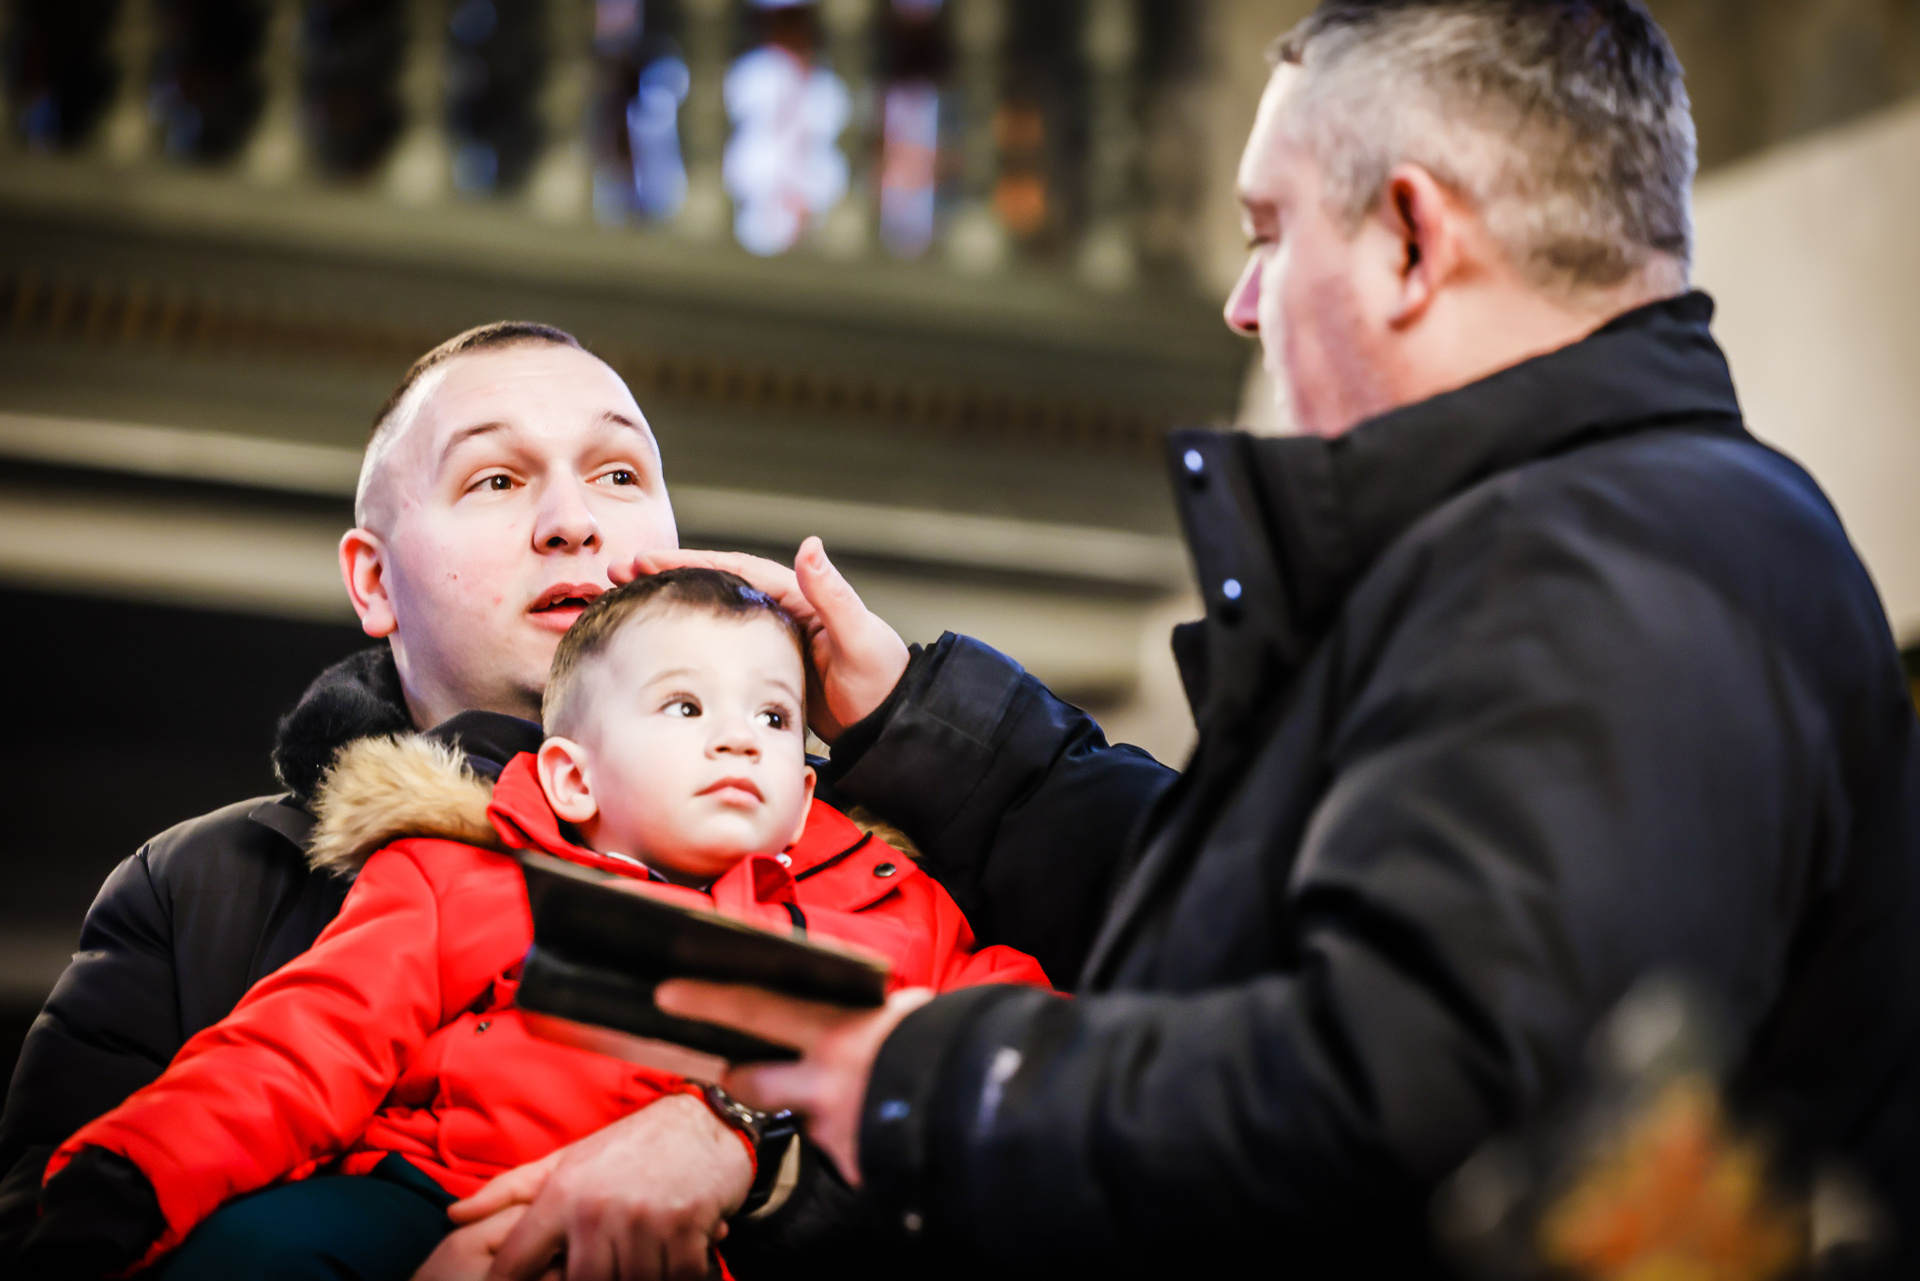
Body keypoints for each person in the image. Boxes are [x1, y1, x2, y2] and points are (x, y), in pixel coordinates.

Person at [618, 2, 1920, 1276]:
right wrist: (915, 714)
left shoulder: (1603, 562)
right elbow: (1258, 940)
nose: (1243, 304)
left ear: (1410, 237)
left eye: (1269, 233)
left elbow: (1414, 1099)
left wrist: (936, 1074)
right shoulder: (1601, 537)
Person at [0, 323, 902, 1272]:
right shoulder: (196, 888)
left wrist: (905, 714)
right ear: (375, 578)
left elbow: (998, 1109)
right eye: (497, 479)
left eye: (619, 474)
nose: (572, 522)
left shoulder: (866, 859)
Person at [17, 569, 1047, 1278]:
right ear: (571, 776)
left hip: (703, 1244)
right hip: (431, 1195)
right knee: (259, 1253)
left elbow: (1029, 1052)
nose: (739, 738)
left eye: (774, 716)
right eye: (685, 708)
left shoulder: (884, 901)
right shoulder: (465, 873)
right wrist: (131, 1176)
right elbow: (307, 1038)